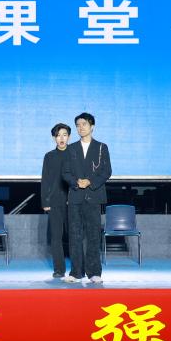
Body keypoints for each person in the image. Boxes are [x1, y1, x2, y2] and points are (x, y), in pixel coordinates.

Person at [62, 112, 112, 284]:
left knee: (93, 236)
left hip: (93, 197)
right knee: (74, 235)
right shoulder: (71, 148)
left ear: (92, 126)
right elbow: (65, 173)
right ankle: (76, 272)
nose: (80, 127)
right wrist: (76, 182)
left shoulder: (101, 147)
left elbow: (106, 171)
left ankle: (94, 272)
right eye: (78, 125)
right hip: (75, 197)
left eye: (84, 124)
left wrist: (90, 181)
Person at [40, 123, 71, 279]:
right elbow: (45, 180)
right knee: (56, 237)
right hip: (54, 202)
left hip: (73, 201)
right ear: (54, 138)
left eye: (64, 135)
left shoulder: (75, 154)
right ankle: (59, 269)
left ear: (69, 137)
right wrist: (45, 202)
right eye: (58, 135)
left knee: (75, 236)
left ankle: (78, 268)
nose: (61, 138)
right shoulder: (49, 156)